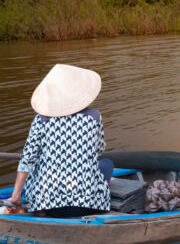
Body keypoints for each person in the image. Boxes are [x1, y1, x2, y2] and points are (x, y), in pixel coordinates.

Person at [8, 64, 112, 218]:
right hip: (87, 205)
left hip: (49, 207)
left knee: (34, 166)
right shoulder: (94, 116)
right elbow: (98, 150)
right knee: (107, 163)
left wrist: (16, 195)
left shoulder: (41, 120)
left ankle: (38, 207)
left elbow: (27, 159)